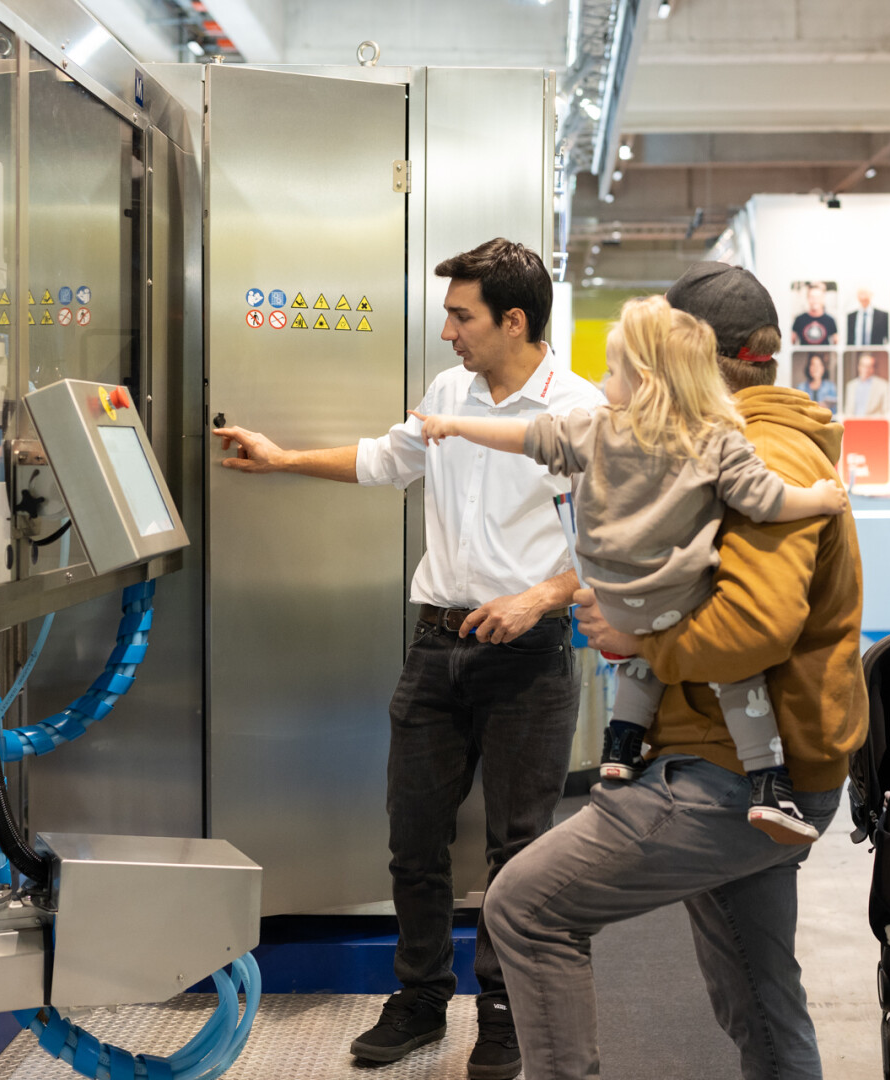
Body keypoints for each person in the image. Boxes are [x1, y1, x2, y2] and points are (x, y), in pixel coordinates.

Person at [214, 238, 604, 1080]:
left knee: (519, 853)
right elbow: (387, 460)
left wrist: (540, 598)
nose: (448, 332)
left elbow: (616, 547)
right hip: (436, 648)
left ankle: (504, 1015)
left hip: (528, 655)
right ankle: (421, 999)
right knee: (413, 840)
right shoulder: (448, 394)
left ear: (513, 320)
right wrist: (282, 459)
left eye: (461, 317)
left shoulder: (581, 411)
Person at [482, 261, 868, 1080]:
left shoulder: (762, 450)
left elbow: (753, 628)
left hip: (732, 774)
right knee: (759, 1000)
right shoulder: (735, 440)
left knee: (525, 905)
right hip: (737, 762)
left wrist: (637, 641)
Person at [413, 296, 847, 842]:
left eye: (612, 372)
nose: (602, 382)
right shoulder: (715, 440)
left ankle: (620, 746)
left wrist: (454, 424)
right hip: (672, 598)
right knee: (737, 679)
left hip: (611, 598)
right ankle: (767, 780)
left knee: (640, 659)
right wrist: (821, 497)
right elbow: (768, 501)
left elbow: (523, 437)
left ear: (642, 380)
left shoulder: (598, 428)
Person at [790, 282, 839, 346]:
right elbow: (792, 342)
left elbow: (836, 342)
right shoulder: (799, 319)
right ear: (807, 298)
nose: (815, 300)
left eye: (818, 297)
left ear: (823, 298)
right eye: (812, 297)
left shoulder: (830, 320)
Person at [843, 351, 890, 416]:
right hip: (853, 421)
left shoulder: (883, 385)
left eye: (869, 366)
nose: (866, 369)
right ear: (859, 366)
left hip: (873, 421)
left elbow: (886, 411)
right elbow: (848, 410)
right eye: (863, 366)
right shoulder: (851, 385)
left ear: (873, 368)